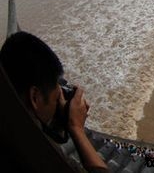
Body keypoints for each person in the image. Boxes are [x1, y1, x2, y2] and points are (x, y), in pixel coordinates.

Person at [0, 31, 108, 172]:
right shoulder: (34, 153)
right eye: (56, 98)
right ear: (34, 98)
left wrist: (60, 123)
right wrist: (76, 128)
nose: (58, 102)